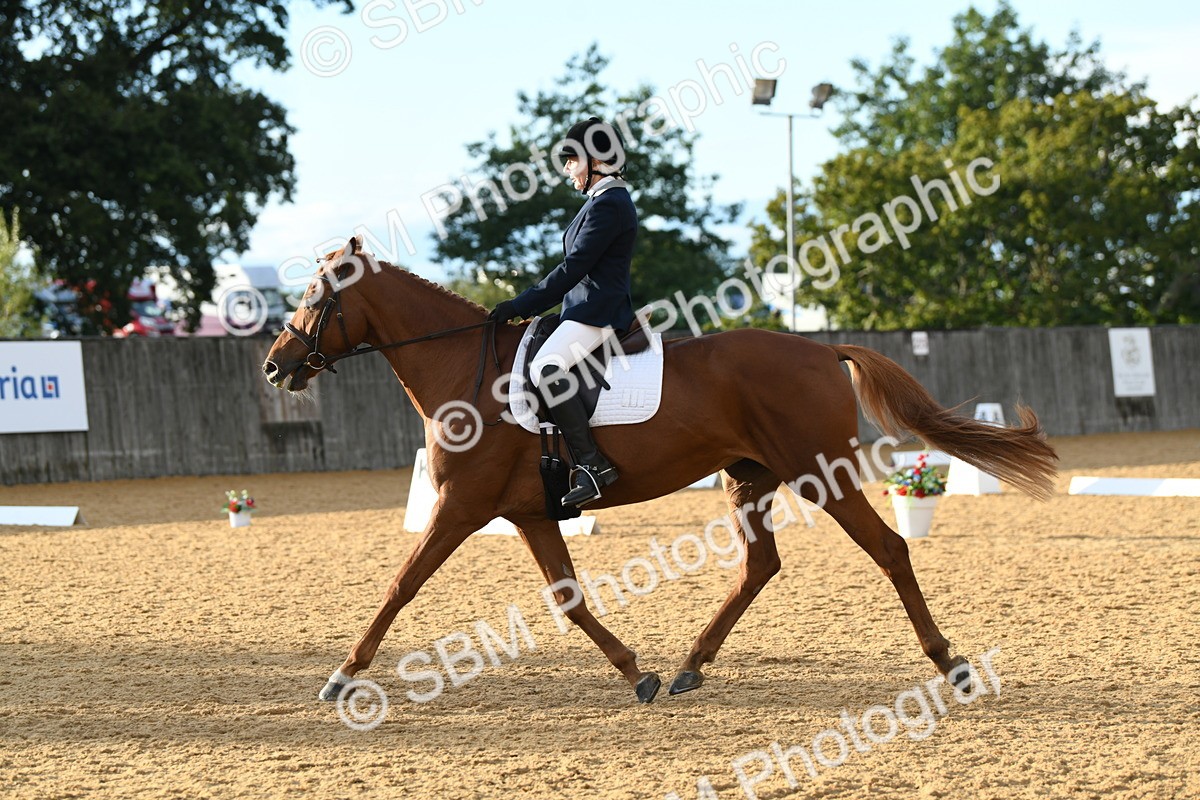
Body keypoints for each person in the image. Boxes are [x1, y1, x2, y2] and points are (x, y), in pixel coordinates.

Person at [488, 116, 637, 508]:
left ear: (596, 160)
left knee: (546, 367)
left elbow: (575, 268)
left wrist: (521, 304)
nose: (567, 168)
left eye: (572, 159)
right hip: (582, 310)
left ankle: (593, 466)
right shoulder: (599, 202)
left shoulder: (611, 203)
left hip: (598, 311)